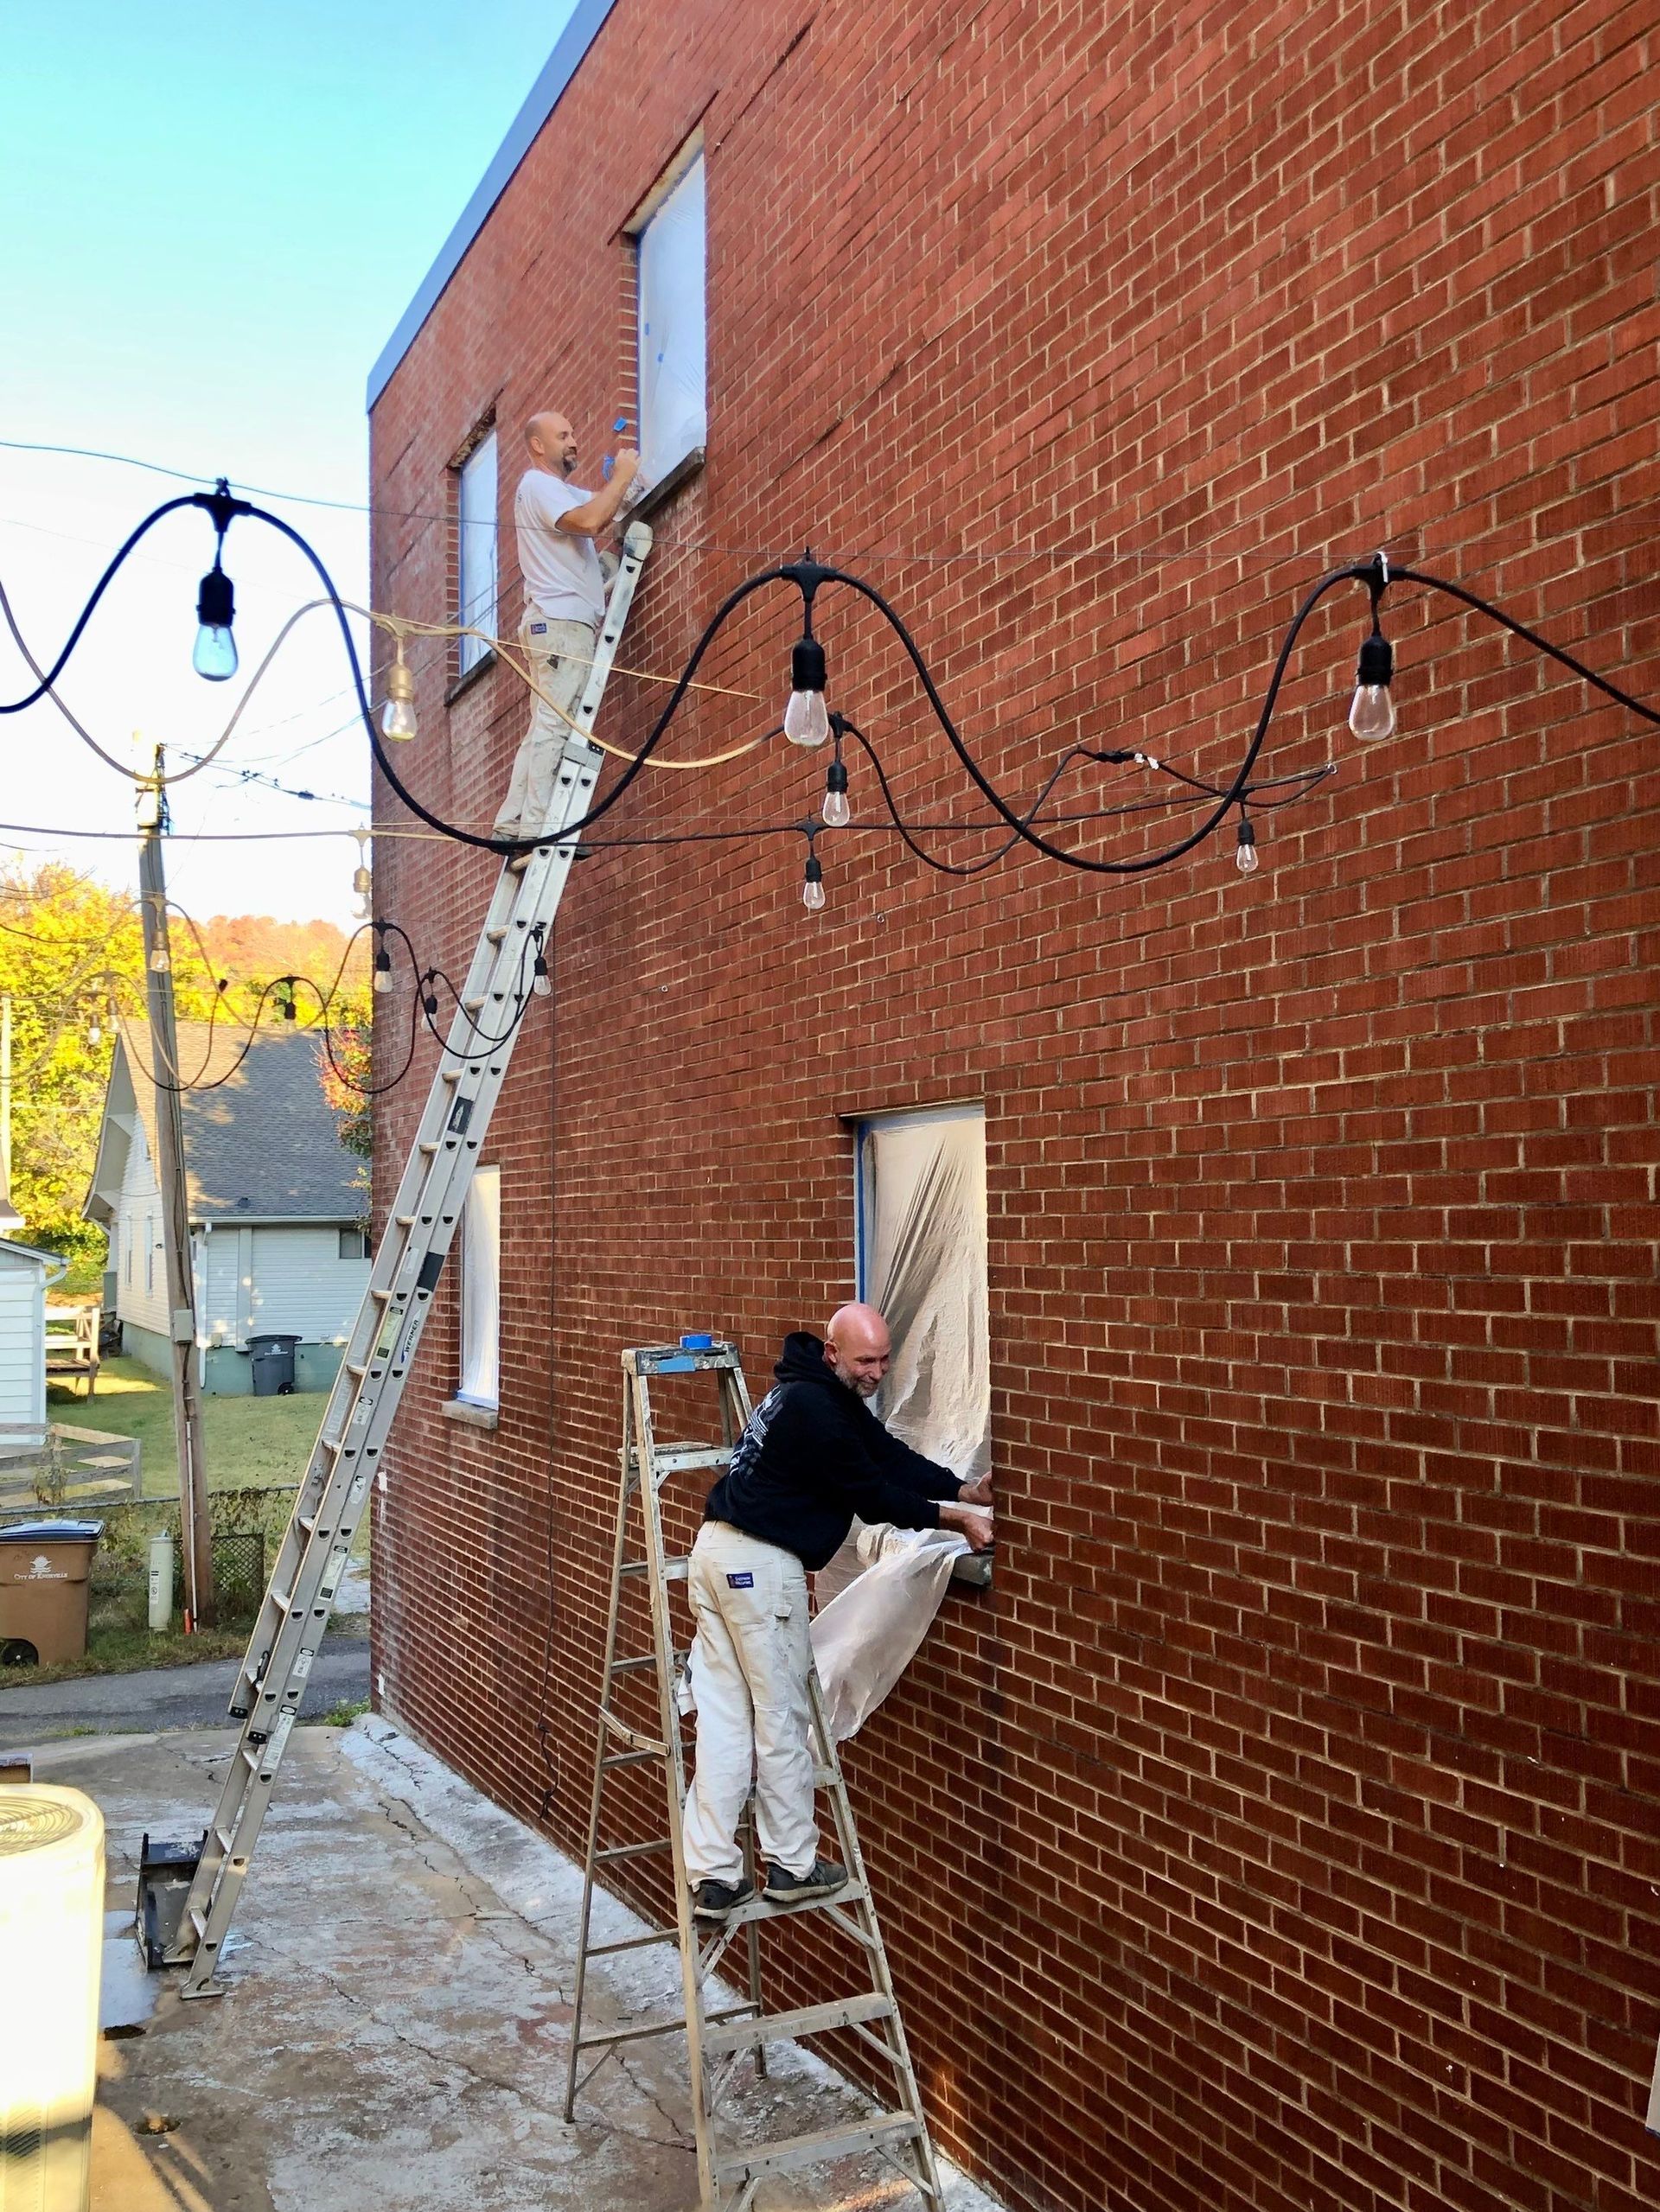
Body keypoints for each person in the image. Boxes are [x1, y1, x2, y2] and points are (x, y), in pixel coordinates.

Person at [682, 1304, 994, 1922]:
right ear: (833, 1352)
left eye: (883, 1360)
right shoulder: (816, 1409)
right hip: (760, 1567)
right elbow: (872, 1493)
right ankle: (793, 1864)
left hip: (716, 1555)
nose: (877, 1372)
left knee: (723, 1718)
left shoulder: (810, 1393)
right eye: (865, 1361)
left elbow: (886, 1454)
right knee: (780, 1715)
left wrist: (961, 1487)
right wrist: (955, 1519)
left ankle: (714, 1873)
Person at [493, 411, 642, 840]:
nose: (573, 441)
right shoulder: (537, 485)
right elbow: (590, 522)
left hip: (554, 624)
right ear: (538, 446)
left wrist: (625, 484)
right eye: (562, 435)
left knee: (545, 725)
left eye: (573, 432)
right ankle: (536, 832)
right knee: (556, 728)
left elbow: (602, 508)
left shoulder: (556, 490)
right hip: (560, 625)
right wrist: (622, 477)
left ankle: (512, 826)